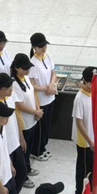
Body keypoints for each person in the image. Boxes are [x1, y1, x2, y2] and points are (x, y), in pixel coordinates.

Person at [11, 53, 42, 188]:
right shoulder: (14, 84)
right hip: (24, 123)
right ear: (17, 68)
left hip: (33, 120)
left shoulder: (26, 78)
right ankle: (22, 176)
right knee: (23, 152)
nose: (27, 70)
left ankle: (27, 168)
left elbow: (33, 94)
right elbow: (20, 105)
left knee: (28, 149)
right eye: (24, 68)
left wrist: (38, 109)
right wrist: (35, 112)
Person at [73, 66, 97, 194]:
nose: (96, 84)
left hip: (93, 138)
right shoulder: (79, 98)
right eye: (93, 82)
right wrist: (90, 142)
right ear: (85, 81)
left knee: (93, 166)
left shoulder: (93, 94)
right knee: (84, 168)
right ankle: (80, 193)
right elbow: (79, 123)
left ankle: (91, 189)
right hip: (85, 141)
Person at [29, 33, 57, 162]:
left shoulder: (47, 56)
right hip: (41, 100)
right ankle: (37, 150)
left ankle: (43, 147)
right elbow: (32, 85)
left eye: (44, 46)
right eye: (40, 47)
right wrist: (46, 88)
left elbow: (53, 73)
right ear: (34, 47)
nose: (44, 48)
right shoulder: (32, 63)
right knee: (40, 127)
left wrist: (51, 84)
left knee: (47, 125)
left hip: (50, 97)